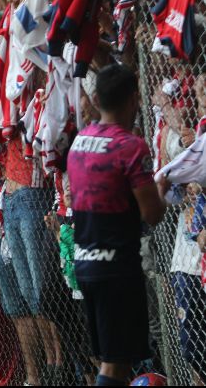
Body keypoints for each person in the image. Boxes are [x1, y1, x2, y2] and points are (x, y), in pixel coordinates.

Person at [67, 64, 167, 385]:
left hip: (85, 263)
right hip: (117, 267)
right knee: (115, 365)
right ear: (134, 99)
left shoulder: (80, 141)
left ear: (96, 99)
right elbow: (152, 213)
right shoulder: (130, 146)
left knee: (111, 363)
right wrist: (163, 187)